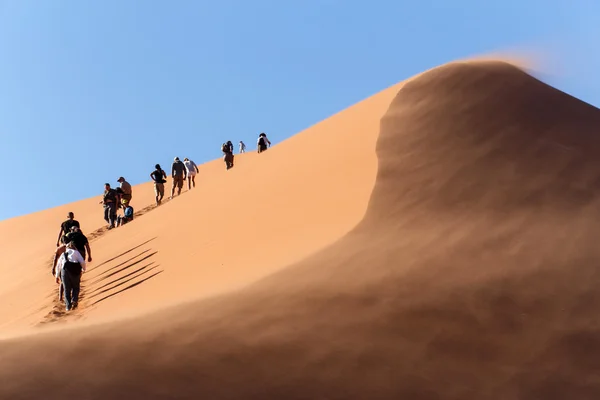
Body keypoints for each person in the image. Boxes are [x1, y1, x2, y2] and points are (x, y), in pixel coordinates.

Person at [54, 241, 86, 311]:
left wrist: (57, 276)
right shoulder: (76, 252)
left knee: (66, 289)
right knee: (76, 287)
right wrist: (83, 269)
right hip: (75, 272)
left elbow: (58, 266)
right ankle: (74, 300)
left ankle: (68, 307)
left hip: (64, 272)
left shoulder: (63, 254)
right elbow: (82, 262)